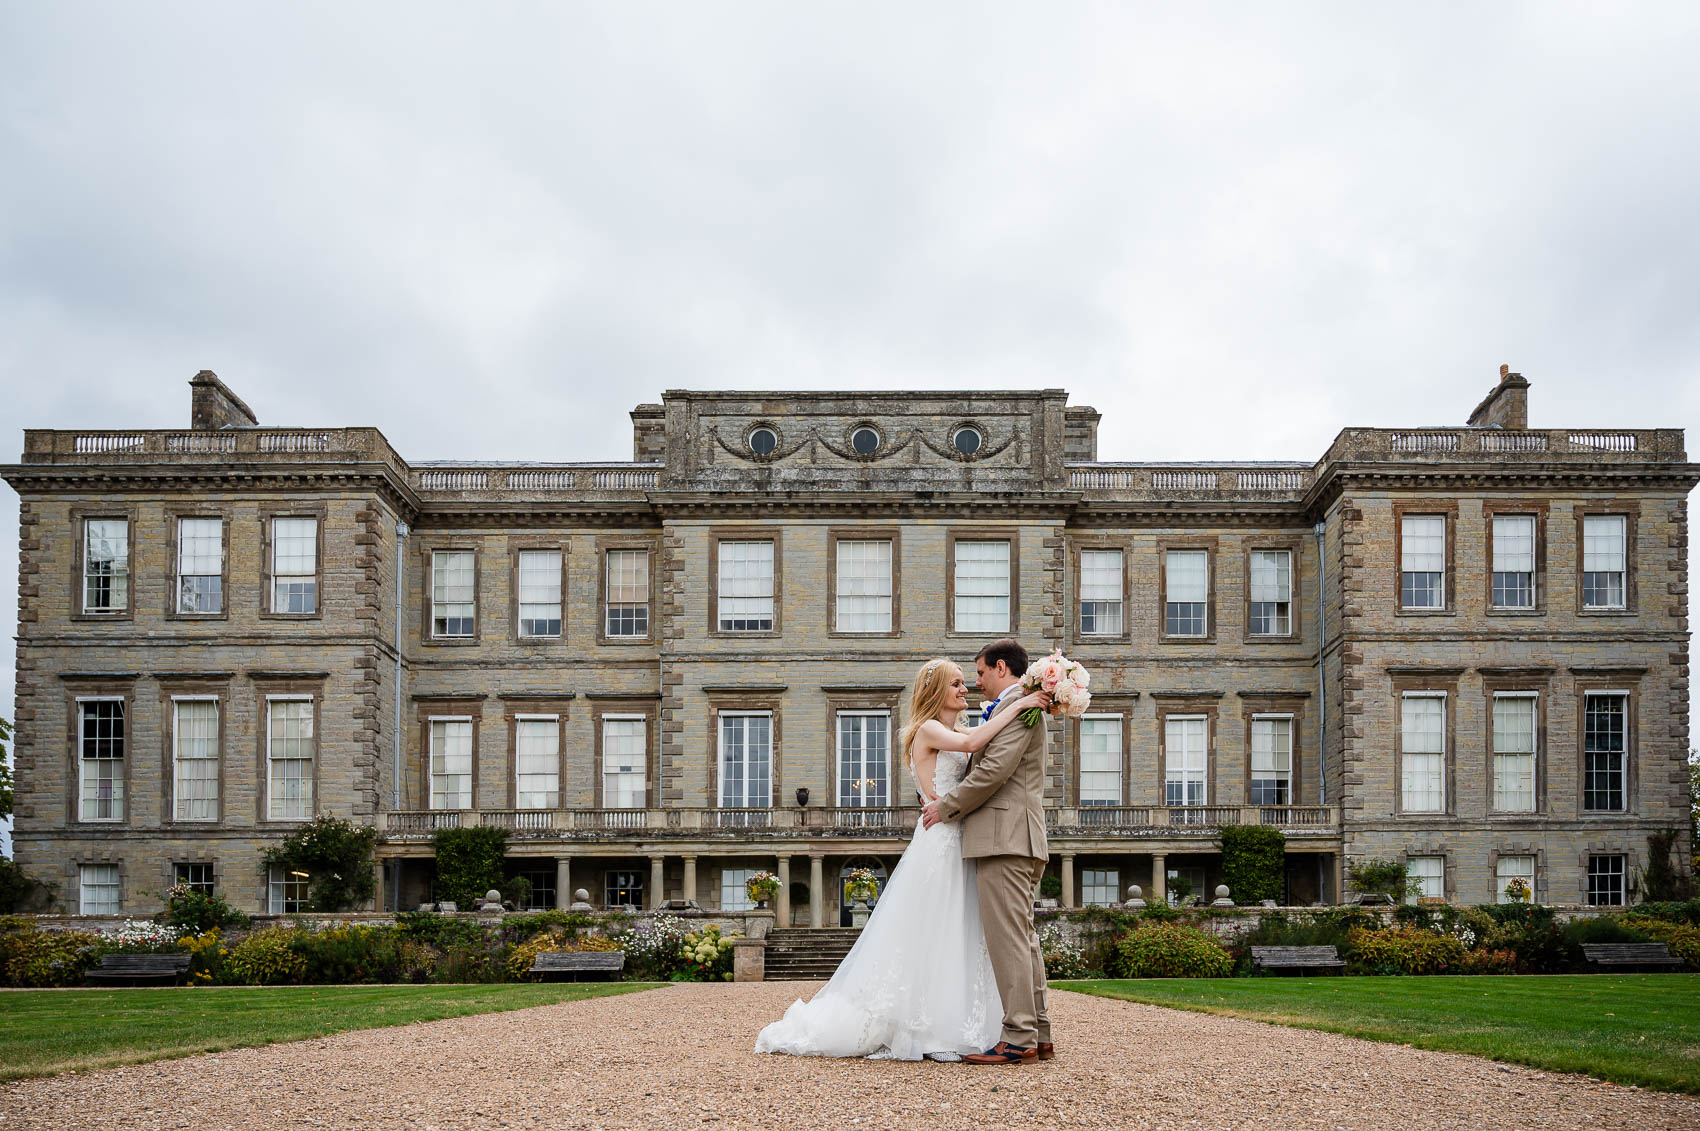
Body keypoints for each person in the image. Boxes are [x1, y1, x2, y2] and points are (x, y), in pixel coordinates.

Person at [753, 656, 1050, 1060]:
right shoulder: (928, 729)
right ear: (936, 691)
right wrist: (1021, 704)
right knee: (933, 931)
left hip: (966, 836)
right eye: (957, 683)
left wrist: (1015, 704)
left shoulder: (956, 729)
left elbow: (979, 743)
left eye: (967, 680)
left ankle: (968, 1021)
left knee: (962, 933)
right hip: (942, 835)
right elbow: (973, 746)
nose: (966, 688)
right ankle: (926, 1025)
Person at [921, 637, 1053, 1064]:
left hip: (1004, 838)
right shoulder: (1017, 706)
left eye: (979, 673)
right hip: (1015, 836)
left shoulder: (1020, 706)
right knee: (1023, 939)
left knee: (1009, 940)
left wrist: (947, 806)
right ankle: (1038, 1034)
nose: (976, 682)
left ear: (1000, 668)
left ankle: (1018, 1038)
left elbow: (994, 771)